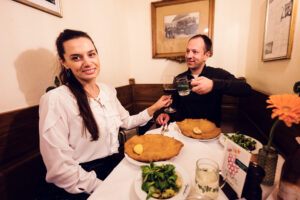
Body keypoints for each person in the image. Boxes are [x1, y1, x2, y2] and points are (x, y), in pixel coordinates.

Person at [37, 29, 171, 200]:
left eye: (91, 54)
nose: (87, 62)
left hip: (113, 167)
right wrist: (104, 188)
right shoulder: (55, 99)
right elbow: (61, 169)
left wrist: (155, 106)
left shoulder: (108, 91)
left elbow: (127, 121)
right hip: (79, 184)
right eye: (76, 57)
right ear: (64, 62)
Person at [156, 34, 251, 127]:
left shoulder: (217, 74)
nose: (189, 56)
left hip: (210, 134)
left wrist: (213, 84)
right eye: (187, 51)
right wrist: (167, 114)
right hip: (184, 131)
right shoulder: (180, 78)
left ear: (206, 55)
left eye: (195, 52)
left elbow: (246, 89)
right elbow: (175, 104)